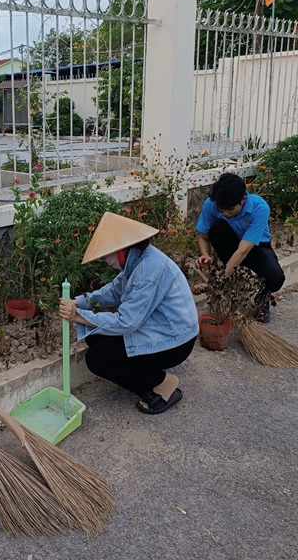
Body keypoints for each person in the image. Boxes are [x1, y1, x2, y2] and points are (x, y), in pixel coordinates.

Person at [59, 212, 199, 415]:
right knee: (95, 337)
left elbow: (126, 322)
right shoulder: (138, 260)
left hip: (175, 341)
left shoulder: (147, 272)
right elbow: (114, 291)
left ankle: (162, 383)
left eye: (108, 253)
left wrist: (79, 316)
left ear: (122, 249)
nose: (107, 259)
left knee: (96, 359)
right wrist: (81, 302)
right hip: (159, 327)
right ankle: (146, 371)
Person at [195, 172, 285, 323]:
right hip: (229, 244)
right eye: (221, 210)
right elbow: (203, 237)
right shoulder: (211, 204)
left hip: (255, 247)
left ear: (243, 200)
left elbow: (244, 249)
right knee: (217, 227)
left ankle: (261, 299)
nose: (225, 213)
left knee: (275, 278)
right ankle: (230, 288)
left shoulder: (259, 207)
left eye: (230, 210)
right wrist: (205, 254)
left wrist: (219, 280)